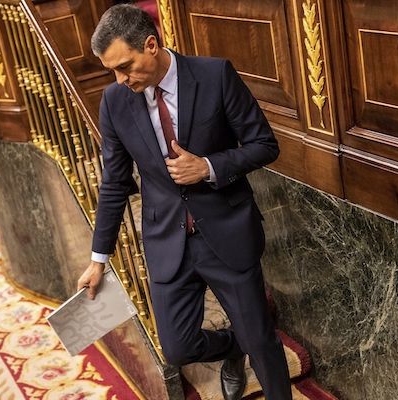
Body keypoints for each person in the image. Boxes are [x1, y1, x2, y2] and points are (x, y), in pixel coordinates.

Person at [76, 5, 292, 400]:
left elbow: (265, 145)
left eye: (125, 66)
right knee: (177, 348)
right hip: (167, 239)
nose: (120, 79)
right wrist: (98, 259)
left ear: (151, 45)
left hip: (227, 230)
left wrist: (208, 167)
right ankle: (233, 346)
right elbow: (113, 184)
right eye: (113, 71)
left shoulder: (214, 75)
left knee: (261, 340)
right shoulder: (114, 102)